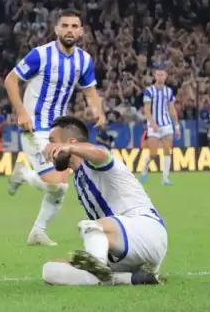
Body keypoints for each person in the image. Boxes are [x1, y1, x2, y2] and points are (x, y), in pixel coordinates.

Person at [4, 10, 106, 246]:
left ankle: (37, 233)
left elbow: (90, 90)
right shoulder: (40, 55)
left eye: (75, 26)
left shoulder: (84, 60)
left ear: (81, 31)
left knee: (60, 187)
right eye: (65, 25)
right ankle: (25, 174)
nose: (70, 30)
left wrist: (98, 110)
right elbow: (11, 79)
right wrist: (21, 111)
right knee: (58, 184)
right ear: (57, 30)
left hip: (58, 131)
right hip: (33, 127)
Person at [40, 116, 165, 286]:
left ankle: (96, 269)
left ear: (71, 142)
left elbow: (101, 154)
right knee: (50, 270)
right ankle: (130, 279)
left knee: (90, 226)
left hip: (146, 232)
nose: (48, 147)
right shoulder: (78, 177)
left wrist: (69, 148)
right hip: (121, 248)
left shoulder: (93, 163)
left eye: (52, 141)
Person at [139, 69, 180, 185]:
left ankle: (165, 178)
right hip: (154, 125)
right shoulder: (149, 91)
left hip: (166, 124)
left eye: (162, 74)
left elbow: (172, 109)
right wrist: (152, 123)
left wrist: (176, 126)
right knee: (153, 153)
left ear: (166, 76)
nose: (160, 76)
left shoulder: (169, 91)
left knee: (167, 151)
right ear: (155, 76)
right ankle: (144, 169)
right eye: (158, 74)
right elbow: (146, 110)